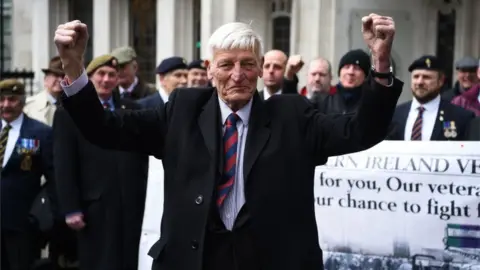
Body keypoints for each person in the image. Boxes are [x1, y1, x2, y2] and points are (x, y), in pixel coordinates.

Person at [53, 14, 402, 270]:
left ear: (263, 67)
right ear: (209, 68)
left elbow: (360, 131)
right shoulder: (182, 110)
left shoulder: (292, 116)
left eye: (248, 64)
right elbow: (104, 128)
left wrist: (381, 62)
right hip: (196, 259)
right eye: (227, 64)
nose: (238, 75)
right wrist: (72, 64)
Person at [53, 54, 149, 270]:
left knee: (132, 259)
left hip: (133, 203)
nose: (106, 80)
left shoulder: (132, 108)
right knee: (100, 260)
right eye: (101, 74)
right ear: (89, 77)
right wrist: (71, 208)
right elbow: (63, 163)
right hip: (94, 206)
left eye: (112, 75)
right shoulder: (69, 114)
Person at [0, 79, 54, 270]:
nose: (6, 105)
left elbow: (54, 178)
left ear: (22, 101)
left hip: (22, 223)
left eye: (12, 99)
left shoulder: (40, 133)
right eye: (2, 99)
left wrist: (42, 215)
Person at [388, 55, 474, 141]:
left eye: (426, 77)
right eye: (416, 76)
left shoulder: (460, 117)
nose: (419, 82)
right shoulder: (394, 115)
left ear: (440, 81)